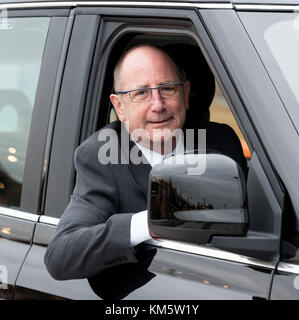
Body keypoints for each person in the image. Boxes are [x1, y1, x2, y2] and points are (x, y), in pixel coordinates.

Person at [44, 44, 247, 284]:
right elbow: (60, 257)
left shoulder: (221, 140)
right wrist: (152, 223)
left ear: (186, 93)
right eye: (141, 93)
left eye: (168, 88)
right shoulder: (100, 156)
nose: (158, 105)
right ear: (119, 106)